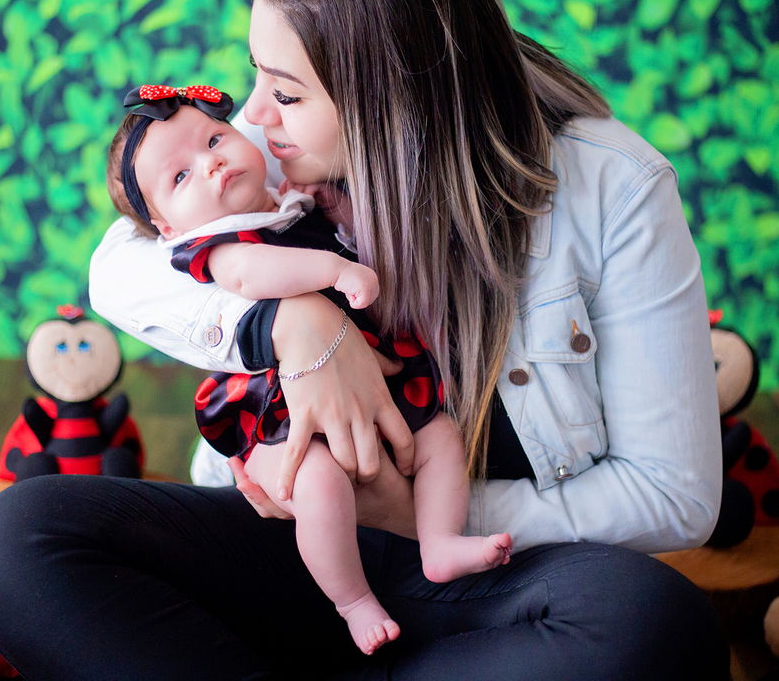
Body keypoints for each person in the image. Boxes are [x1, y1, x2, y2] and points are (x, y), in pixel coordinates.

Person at [0, 0, 729, 680]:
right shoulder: (276, 145)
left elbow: (674, 495)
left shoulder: (615, 187)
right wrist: (295, 329)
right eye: (257, 77)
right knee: (19, 537)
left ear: (393, 102)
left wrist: (409, 514)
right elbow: (120, 261)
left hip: (488, 573)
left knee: (656, 627)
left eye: (285, 92)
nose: (254, 113)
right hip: (293, 542)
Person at [100, 81, 513, 653]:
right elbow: (253, 276)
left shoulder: (288, 198)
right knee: (316, 483)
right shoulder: (216, 244)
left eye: (216, 138)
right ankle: (352, 600)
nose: (212, 161)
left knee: (441, 437)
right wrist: (334, 272)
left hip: (369, 379)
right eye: (180, 177)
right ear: (168, 226)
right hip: (274, 411)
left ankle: (438, 541)